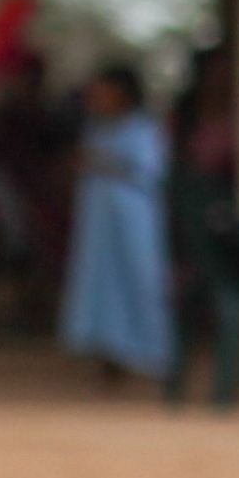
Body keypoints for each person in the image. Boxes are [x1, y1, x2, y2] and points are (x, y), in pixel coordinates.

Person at [60, 64, 174, 388]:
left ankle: (148, 359)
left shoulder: (142, 129)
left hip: (132, 222)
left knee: (138, 282)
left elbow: (149, 170)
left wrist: (101, 163)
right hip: (98, 226)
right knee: (100, 286)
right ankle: (105, 359)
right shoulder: (96, 129)